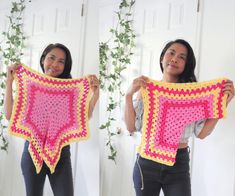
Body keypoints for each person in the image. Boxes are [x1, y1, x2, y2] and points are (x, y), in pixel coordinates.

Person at [124, 39, 235, 196]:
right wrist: (129, 95)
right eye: (171, 52)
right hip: (146, 163)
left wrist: (223, 103)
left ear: (186, 65)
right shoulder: (147, 91)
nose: (175, 58)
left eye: (182, 57)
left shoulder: (194, 97)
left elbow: (201, 133)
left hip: (178, 165)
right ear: (163, 57)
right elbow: (131, 127)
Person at [4, 43, 99, 196]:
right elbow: (9, 115)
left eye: (61, 61)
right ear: (43, 60)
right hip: (32, 152)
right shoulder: (30, 86)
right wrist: (9, 81)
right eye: (51, 58)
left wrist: (95, 94)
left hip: (61, 155)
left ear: (66, 66)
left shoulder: (71, 91)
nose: (55, 64)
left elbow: (82, 118)